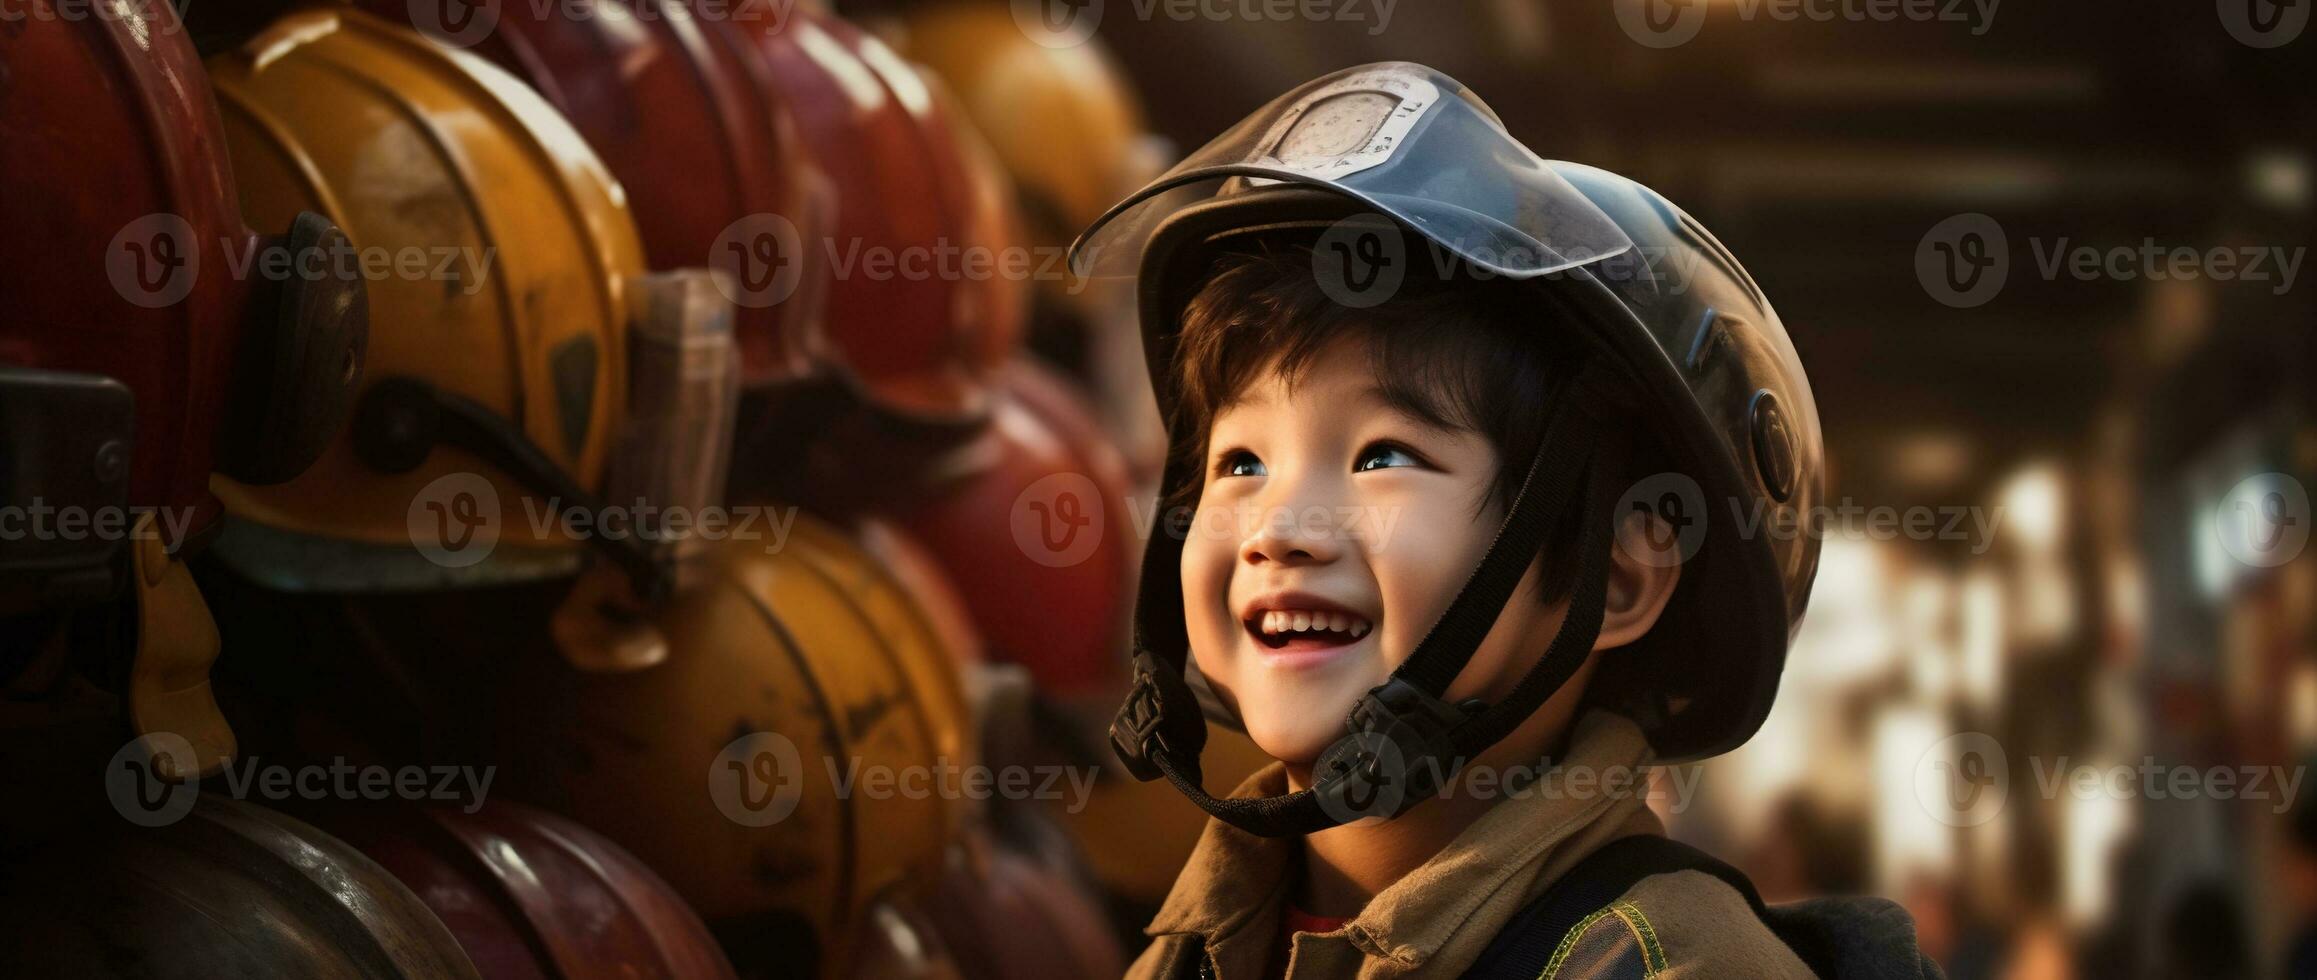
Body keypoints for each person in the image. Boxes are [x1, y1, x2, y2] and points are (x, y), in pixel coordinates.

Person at [1072, 63, 1941, 977]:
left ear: (1618, 577)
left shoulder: (1663, 963)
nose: (1277, 527)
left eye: (1383, 456)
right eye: (1238, 462)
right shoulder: (1193, 951)